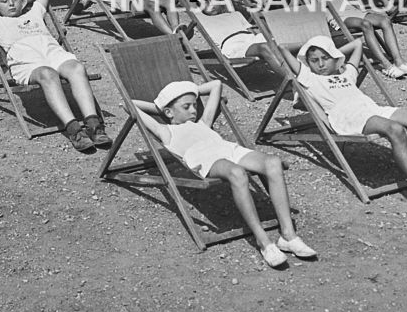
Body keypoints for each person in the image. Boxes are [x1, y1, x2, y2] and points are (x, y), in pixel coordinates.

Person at [280, 36, 407, 221]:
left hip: (372, 109)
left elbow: (357, 44)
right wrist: (317, 50)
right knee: (395, 129)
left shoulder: (346, 73)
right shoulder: (310, 78)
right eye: (314, 61)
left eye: (325, 58)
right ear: (308, 63)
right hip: (349, 116)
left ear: (335, 57)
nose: (321, 64)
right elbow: (282, 48)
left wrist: (332, 52)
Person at [131, 79, 316, 267]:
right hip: (205, 158)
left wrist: (187, 92)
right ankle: (264, 242)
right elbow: (129, 104)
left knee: (273, 163)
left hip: (228, 149)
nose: (194, 110)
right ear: (169, 112)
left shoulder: (203, 123)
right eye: (186, 107)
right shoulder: (165, 131)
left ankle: (288, 236)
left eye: (194, 105)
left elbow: (216, 84)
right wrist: (161, 107)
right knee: (237, 172)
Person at [0, 0, 111, 153]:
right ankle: (74, 130)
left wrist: (22, 0)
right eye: (5, 1)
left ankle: (94, 125)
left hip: (54, 54)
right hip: (27, 62)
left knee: (77, 68)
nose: (11, 3)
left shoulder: (34, 13)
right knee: (48, 74)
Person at [297, 0, 407, 78]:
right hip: (339, 18)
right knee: (365, 24)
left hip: (355, 12)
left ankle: (399, 62)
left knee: (385, 20)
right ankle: (387, 65)